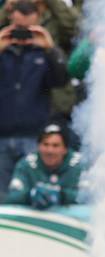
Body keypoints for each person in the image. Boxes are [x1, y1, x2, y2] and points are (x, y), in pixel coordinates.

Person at [0, 0, 68, 201]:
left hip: (33, 135)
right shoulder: (3, 52)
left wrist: (51, 48)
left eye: (28, 29)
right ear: (10, 18)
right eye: (18, 29)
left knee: (31, 195)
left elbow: (62, 79)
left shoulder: (44, 53)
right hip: (1, 136)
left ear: (38, 20)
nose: (23, 34)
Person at [4, 123, 82, 206]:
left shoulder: (80, 164)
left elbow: (90, 198)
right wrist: (30, 195)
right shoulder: (26, 164)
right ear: (38, 146)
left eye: (55, 146)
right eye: (45, 144)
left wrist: (62, 196)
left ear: (65, 149)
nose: (50, 151)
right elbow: (11, 198)